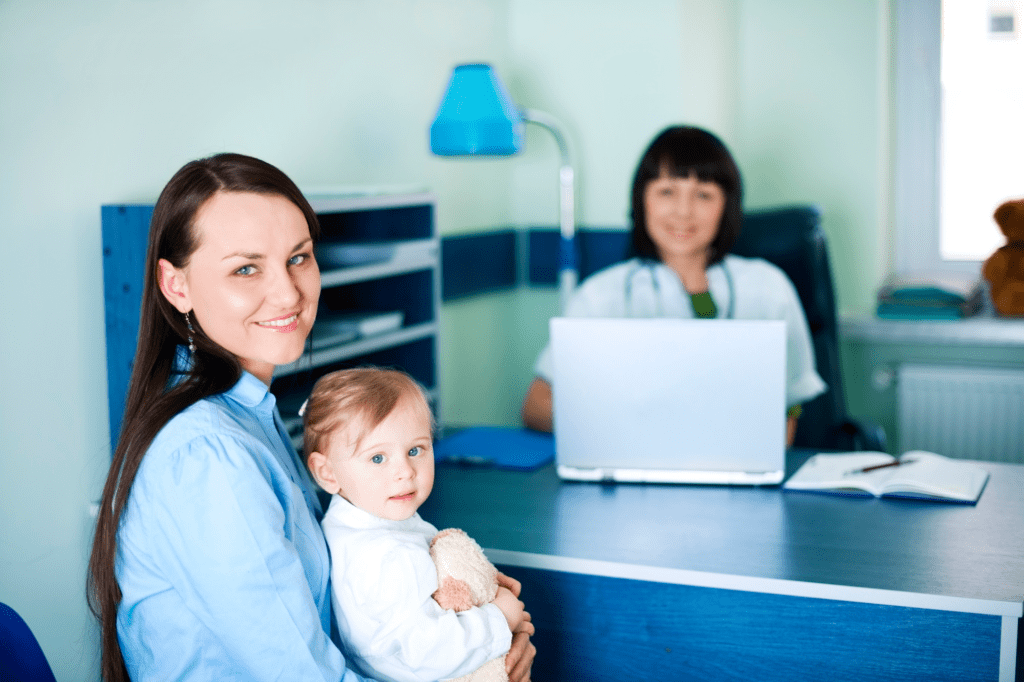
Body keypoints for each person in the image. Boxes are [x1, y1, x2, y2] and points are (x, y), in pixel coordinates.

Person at [87, 153, 535, 682]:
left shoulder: (250, 413)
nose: (288, 292)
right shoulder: (209, 456)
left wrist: (459, 608)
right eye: (246, 268)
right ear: (176, 285)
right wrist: (487, 646)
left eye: (299, 258)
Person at [522, 126, 826, 444]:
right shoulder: (599, 296)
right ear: (643, 201)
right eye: (667, 192)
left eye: (703, 195)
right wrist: (626, 428)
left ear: (727, 207)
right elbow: (537, 406)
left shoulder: (769, 289)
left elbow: (789, 408)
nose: (683, 211)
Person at [302, 367, 527, 682]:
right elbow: (424, 654)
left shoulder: (357, 520)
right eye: (377, 458)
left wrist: (480, 581)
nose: (405, 471)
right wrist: (499, 617)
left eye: (415, 450)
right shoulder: (389, 556)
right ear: (327, 473)